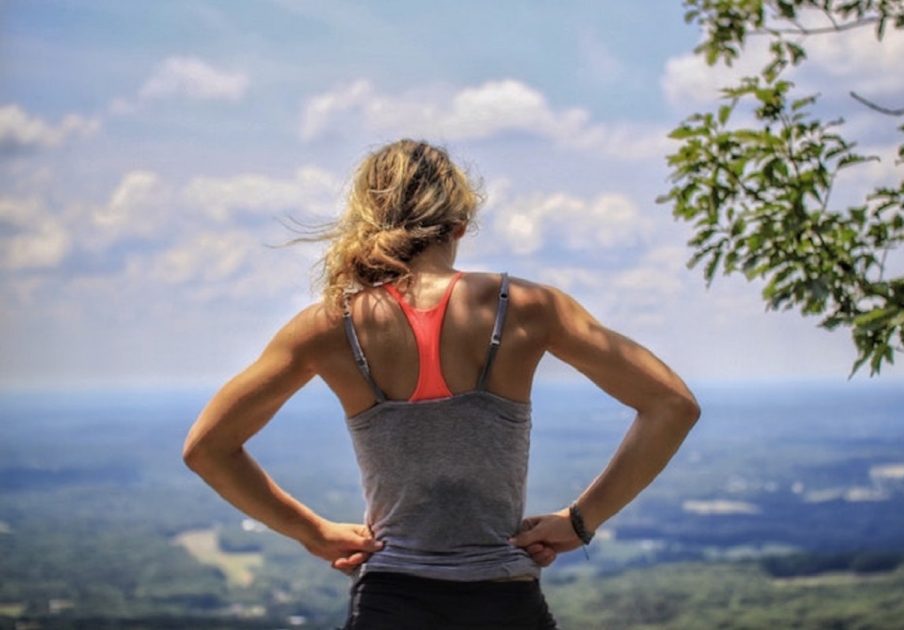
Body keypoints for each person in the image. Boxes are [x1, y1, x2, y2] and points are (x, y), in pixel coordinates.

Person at [182, 138, 701, 629]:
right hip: (504, 601)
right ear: (459, 224)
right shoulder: (525, 309)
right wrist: (580, 521)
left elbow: (208, 447)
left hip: (389, 601)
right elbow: (671, 405)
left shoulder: (329, 325)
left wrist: (312, 533)